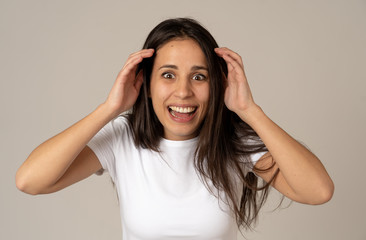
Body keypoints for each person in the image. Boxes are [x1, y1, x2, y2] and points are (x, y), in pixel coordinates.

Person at [16, 18, 334, 239]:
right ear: (147, 84)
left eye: (199, 76)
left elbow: (318, 191)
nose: (183, 92)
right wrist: (109, 109)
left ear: (217, 84)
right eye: (168, 75)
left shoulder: (234, 142)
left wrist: (250, 111)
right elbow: (30, 181)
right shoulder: (122, 138)